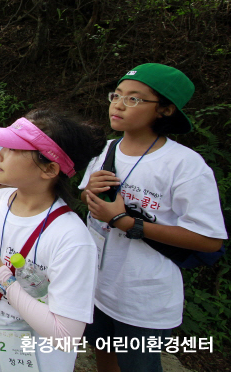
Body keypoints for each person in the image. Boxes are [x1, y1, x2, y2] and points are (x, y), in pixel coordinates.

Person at [0, 110, 105, 372]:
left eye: (14, 148)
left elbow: (66, 336)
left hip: (34, 361)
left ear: (49, 169)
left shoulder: (72, 239)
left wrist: (0, 275)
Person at [80, 63, 227, 372]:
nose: (118, 104)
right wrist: (89, 193)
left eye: (134, 99)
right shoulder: (105, 150)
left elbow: (211, 240)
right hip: (97, 284)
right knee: (103, 355)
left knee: (139, 366)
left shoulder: (184, 165)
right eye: (116, 95)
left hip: (142, 296)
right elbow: (87, 199)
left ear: (165, 109)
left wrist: (126, 222)